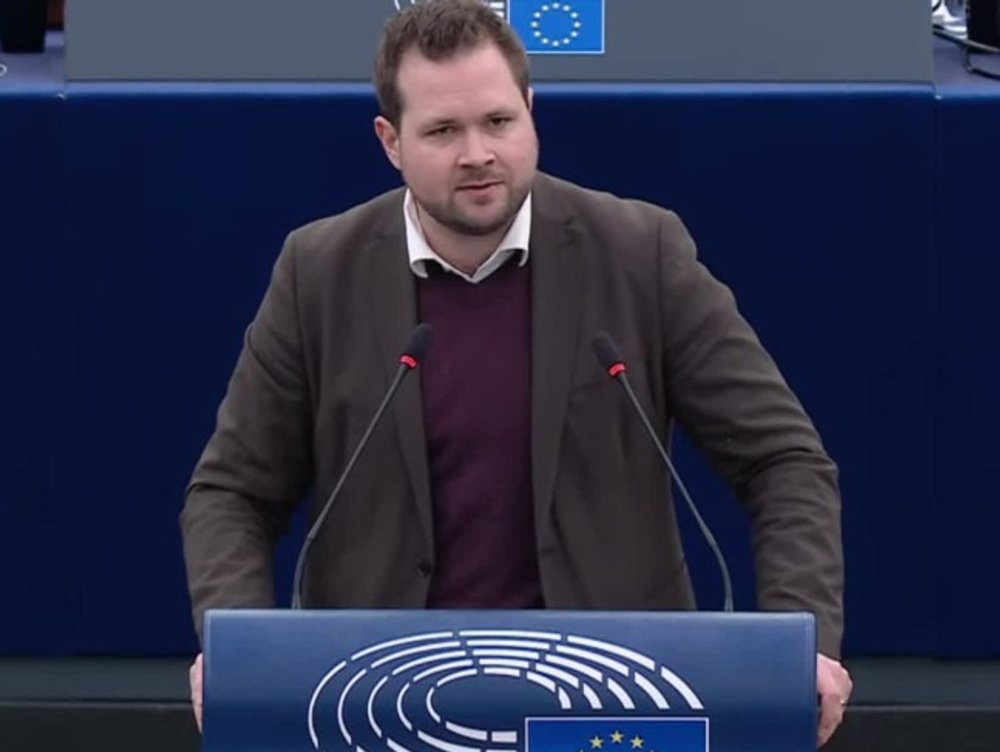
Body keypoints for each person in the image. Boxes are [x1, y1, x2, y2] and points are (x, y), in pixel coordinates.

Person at [181, 0, 852, 745]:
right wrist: (240, 646)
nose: (478, 153)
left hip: (611, 698)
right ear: (390, 141)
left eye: (498, 121)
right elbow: (233, 493)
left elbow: (782, 460)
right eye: (443, 131)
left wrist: (807, 641)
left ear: (531, 112)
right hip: (380, 702)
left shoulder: (639, 253)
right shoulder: (318, 272)